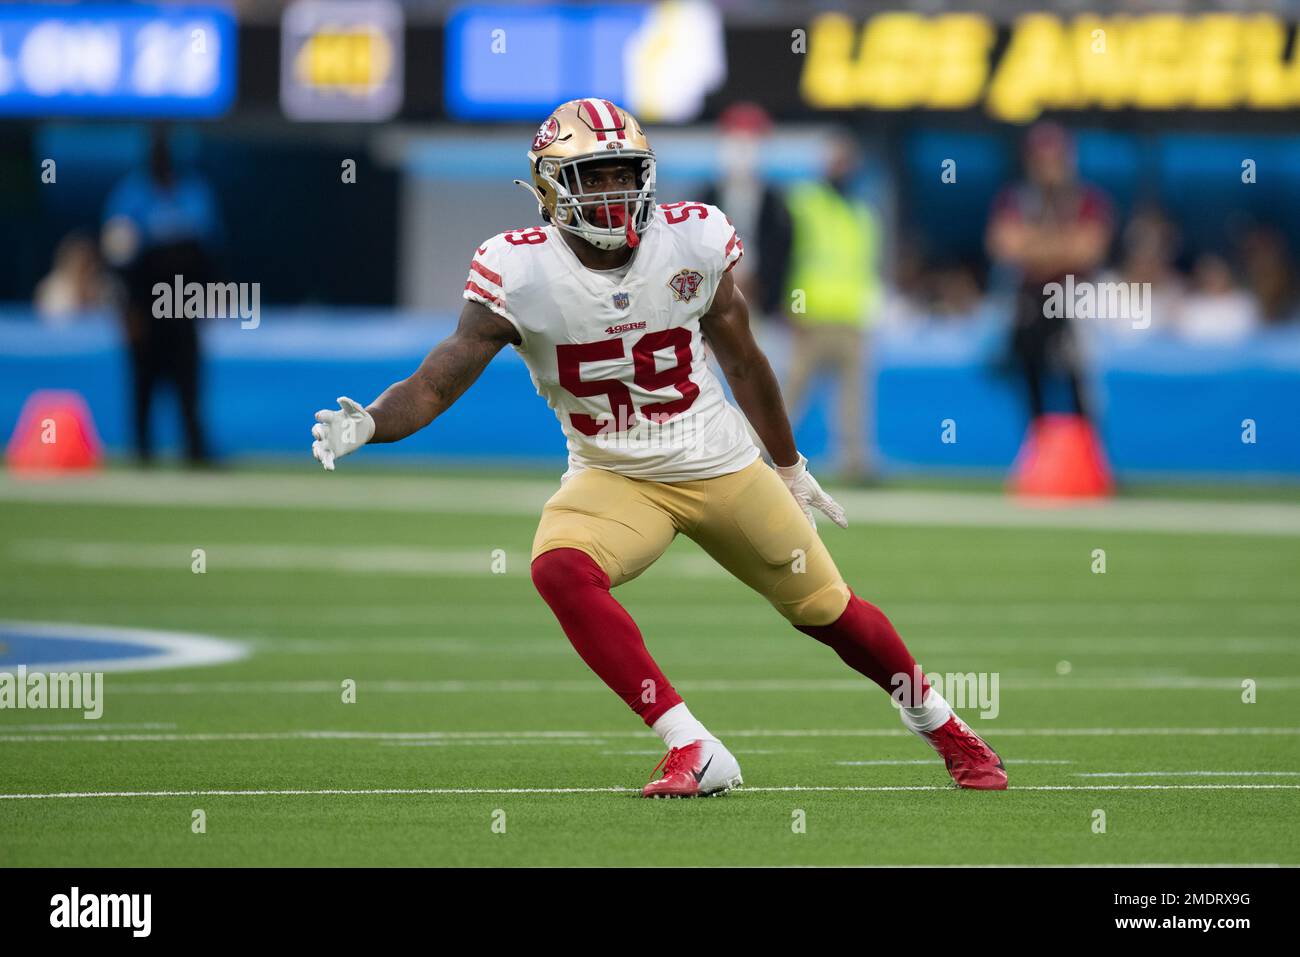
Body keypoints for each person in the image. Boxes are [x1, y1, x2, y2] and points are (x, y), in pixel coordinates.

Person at [310, 99, 1006, 797]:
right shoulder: (516, 270)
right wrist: (373, 420)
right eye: (594, 177)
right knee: (558, 568)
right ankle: (694, 746)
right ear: (550, 187)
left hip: (719, 463)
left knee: (829, 610)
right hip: (614, 475)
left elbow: (744, 361)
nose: (614, 194)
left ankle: (948, 728)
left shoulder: (693, 239)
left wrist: (790, 466)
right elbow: (436, 382)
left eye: (624, 174)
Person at [101, 127, 221, 465]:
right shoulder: (130, 197)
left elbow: (209, 257)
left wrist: (211, 299)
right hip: (146, 309)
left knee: (189, 386)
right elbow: (118, 261)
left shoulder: (194, 193)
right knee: (144, 386)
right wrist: (127, 312)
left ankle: (195, 452)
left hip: (183, 306)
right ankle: (142, 453)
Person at [986, 123, 1112, 422]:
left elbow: (1088, 250)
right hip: (1029, 300)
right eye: (1041, 161)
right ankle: (1040, 453)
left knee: (1080, 377)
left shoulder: (1087, 200)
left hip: (1073, 297)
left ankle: (1089, 454)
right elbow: (1004, 246)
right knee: (1030, 379)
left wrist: (1035, 246)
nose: (1048, 170)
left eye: (1055, 161)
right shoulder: (1015, 200)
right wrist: (1060, 246)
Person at [781, 132, 881, 480]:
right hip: (813, 313)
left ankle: (855, 461)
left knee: (854, 398)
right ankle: (755, 452)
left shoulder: (861, 210)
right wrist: (792, 305)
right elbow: (787, 256)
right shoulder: (805, 202)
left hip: (851, 316)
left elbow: (864, 266)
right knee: (789, 393)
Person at [696, 102, 792, 324]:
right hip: (711, 310)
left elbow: (782, 257)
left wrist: (770, 296)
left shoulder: (776, 206)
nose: (742, 152)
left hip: (760, 311)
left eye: (749, 144)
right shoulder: (702, 201)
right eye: (735, 143)